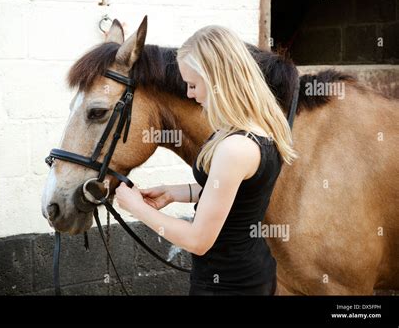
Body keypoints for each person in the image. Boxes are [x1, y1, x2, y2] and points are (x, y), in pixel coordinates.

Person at [115, 25, 297, 295]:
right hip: (250, 272)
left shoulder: (235, 147)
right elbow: (237, 194)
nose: (189, 93)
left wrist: (137, 208)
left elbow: (197, 240)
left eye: (192, 84)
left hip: (228, 285)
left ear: (217, 80)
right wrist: (175, 193)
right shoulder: (259, 128)